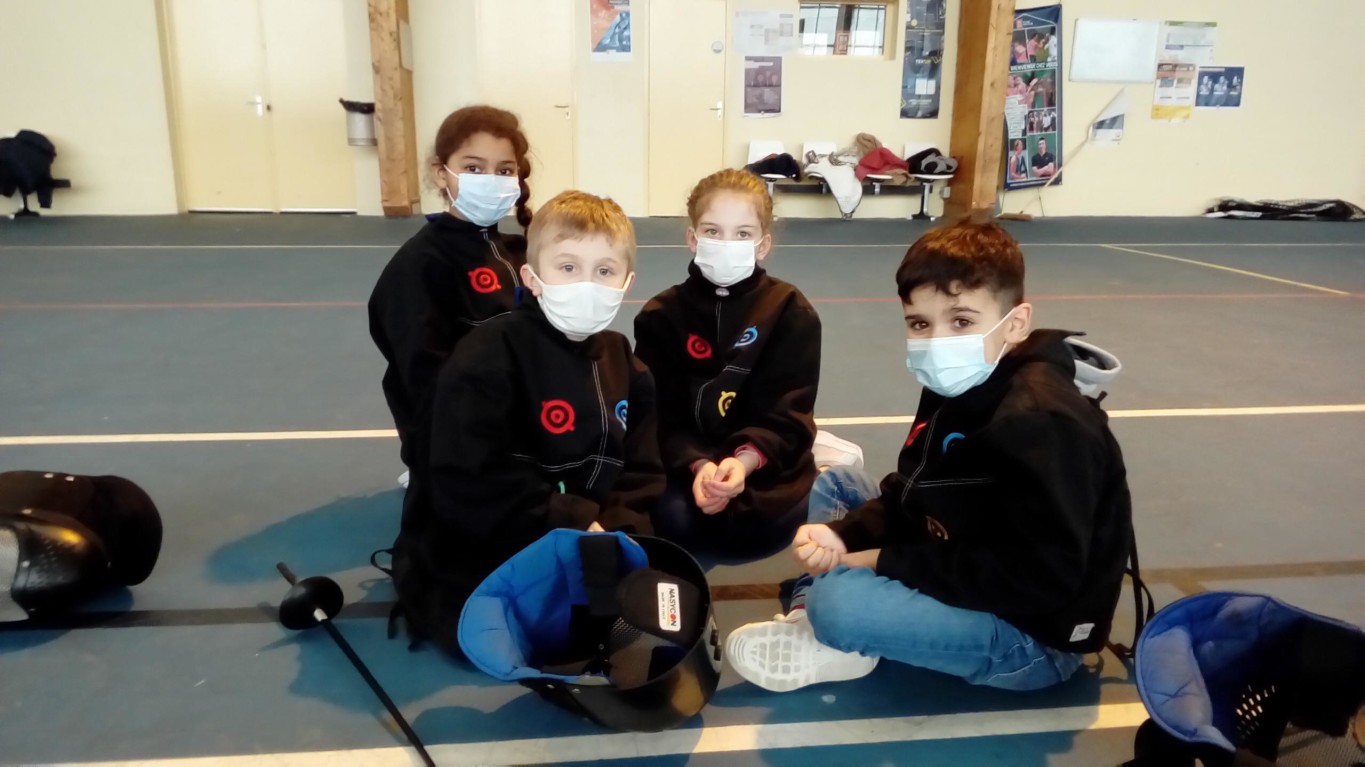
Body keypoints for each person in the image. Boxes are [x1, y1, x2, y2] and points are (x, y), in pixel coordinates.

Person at [724, 221, 1134, 694]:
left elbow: (1041, 580)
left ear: (1016, 323)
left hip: (1029, 634)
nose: (938, 341)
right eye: (920, 323)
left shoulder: (1043, 422)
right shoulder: (961, 379)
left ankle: (825, 620)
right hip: (959, 546)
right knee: (837, 484)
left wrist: (880, 561)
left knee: (838, 603)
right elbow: (914, 489)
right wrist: (844, 534)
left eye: (961, 321)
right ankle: (812, 620)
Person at [389, 190, 664, 656]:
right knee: (505, 624)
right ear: (532, 277)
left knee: (636, 613)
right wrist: (572, 519)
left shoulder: (624, 361)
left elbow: (642, 469)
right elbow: (466, 477)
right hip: (503, 530)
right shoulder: (486, 356)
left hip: (592, 531)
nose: (586, 285)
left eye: (604, 271)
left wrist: (619, 527)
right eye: (568, 267)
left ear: (626, 282)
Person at [634, 169, 822, 558]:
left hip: (764, 467)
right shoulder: (660, 315)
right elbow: (659, 415)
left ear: (763, 244)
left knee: (755, 519)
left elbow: (787, 416)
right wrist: (698, 465)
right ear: (692, 238)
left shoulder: (790, 312)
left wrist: (743, 462)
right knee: (670, 518)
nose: (726, 244)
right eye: (713, 231)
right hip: (687, 462)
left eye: (742, 233)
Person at [369, 106, 533, 488]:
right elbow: (422, 377)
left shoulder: (521, 252)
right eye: (474, 168)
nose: (490, 180)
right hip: (456, 433)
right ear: (441, 173)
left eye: (504, 171)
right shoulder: (420, 265)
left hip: (521, 420)